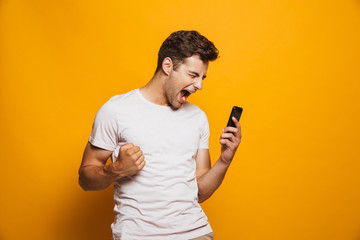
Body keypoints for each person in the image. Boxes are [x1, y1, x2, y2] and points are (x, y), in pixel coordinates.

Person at [78, 30, 242, 240]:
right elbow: (86, 179)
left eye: (202, 78)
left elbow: (200, 192)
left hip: (195, 232)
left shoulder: (197, 118)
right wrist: (116, 170)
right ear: (167, 66)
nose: (199, 85)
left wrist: (225, 160)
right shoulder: (116, 110)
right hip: (138, 235)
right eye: (193, 75)